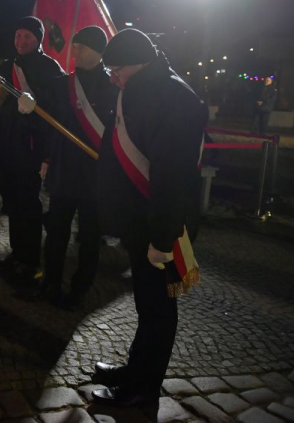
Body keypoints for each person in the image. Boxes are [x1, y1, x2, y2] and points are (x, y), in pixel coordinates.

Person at [90, 29, 207, 407]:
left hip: (160, 228)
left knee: (158, 310)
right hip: (140, 222)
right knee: (147, 305)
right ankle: (135, 370)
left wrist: (160, 238)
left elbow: (173, 176)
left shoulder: (175, 98)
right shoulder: (141, 88)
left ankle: (142, 391)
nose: (112, 78)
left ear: (137, 64)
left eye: (115, 70)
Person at [18, 26, 117, 308]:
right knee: (57, 233)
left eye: (81, 48)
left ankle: (80, 288)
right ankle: (50, 283)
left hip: (95, 175)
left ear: (98, 52)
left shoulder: (113, 87)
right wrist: (29, 109)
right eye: (74, 46)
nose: (74, 52)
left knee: (89, 237)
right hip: (64, 169)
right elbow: (43, 119)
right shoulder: (63, 84)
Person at [0, 17, 64, 281]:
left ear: (38, 39)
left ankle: (30, 259)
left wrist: (35, 104)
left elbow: (55, 109)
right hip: (4, 145)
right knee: (11, 203)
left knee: (28, 204)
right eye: (17, 36)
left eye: (27, 36)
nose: (21, 41)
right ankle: (16, 253)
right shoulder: (7, 66)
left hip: (29, 149)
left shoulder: (50, 68)